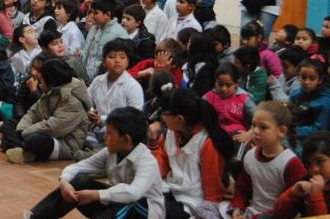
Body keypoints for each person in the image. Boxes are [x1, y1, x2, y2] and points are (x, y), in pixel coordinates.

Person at [25, 106, 165, 219]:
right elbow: (80, 167)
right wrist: (64, 181)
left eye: (109, 134)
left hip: (144, 211)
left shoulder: (147, 161)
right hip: (116, 202)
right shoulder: (110, 152)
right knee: (79, 181)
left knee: (127, 205)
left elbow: (134, 192)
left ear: (126, 139)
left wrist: (96, 195)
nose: (105, 137)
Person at [153, 88, 235, 219]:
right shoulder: (170, 132)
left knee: (151, 210)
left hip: (193, 203)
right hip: (171, 190)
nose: (162, 117)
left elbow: (213, 191)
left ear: (179, 118)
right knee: (140, 201)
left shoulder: (208, 143)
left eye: (165, 113)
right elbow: (162, 161)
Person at [1, 58, 91, 164]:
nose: (39, 81)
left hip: (64, 143)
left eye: (42, 78)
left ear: (51, 82)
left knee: (35, 140)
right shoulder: (52, 90)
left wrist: (25, 133)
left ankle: (13, 144)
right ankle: (23, 149)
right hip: (43, 128)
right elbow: (32, 113)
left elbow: (53, 128)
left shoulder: (72, 101)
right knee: (9, 125)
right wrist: (22, 129)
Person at [229, 102, 305, 219]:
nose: (255, 131)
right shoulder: (250, 155)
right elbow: (242, 188)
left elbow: (292, 205)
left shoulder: (291, 164)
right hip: (252, 213)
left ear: (282, 131)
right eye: (253, 125)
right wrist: (238, 208)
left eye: (263, 127)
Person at [272, 131, 330, 218]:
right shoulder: (307, 182)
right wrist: (293, 193)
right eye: (309, 164)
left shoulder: (314, 190)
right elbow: (279, 215)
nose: (314, 169)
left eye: (320, 161)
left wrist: (316, 195)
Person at [82, 0, 129, 81]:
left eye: (96, 13)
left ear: (107, 15)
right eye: (91, 12)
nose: (92, 16)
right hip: (86, 76)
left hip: (103, 79)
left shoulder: (119, 34)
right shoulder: (94, 28)